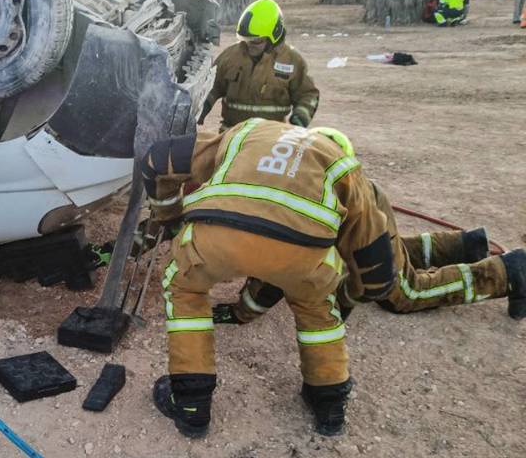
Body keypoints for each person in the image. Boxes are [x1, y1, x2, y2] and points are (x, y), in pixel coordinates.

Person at [139, 118, 526, 437]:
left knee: (186, 290)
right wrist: (343, 300)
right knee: (317, 311)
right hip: (304, 256)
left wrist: (169, 218)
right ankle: (328, 405)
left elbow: (158, 158)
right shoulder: (344, 169)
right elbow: (374, 275)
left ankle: (191, 406)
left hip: (214, 237)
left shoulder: (247, 131)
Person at [198, 0, 319, 132]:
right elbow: (210, 87)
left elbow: (308, 95)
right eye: (246, 40)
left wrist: (300, 118)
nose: (250, 46)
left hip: (271, 137)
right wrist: (201, 109)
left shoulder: (292, 61)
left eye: (256, 41)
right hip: (231, 134)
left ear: (274, 35)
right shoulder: (230, 56)